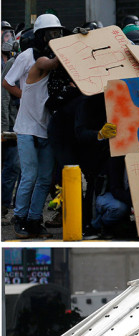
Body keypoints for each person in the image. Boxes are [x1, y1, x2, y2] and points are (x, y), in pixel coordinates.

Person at [12, 13, 63, 239]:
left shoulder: (50, 59)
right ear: (41, 36)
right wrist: (24, 97)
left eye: (58, 33)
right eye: (51, 34)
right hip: (26, 128)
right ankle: (20, 218)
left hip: (45, 127)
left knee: (44, 178)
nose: (55, 37)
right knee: (30, 176)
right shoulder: (36, 59)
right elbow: (7, 81)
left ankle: (34, 219)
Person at [2, 40, 20, 223]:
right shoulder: (13, 64)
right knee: (12, 165)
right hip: (13, 125)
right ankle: (3, 205)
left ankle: (21, 210)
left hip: (29, 123)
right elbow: (4, 94)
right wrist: (4, 127)